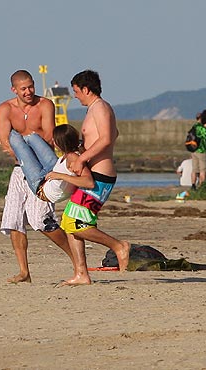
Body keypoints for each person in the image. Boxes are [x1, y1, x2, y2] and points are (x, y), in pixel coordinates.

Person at [0, 69, 74, 283]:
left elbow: (48, 136)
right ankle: (24, 272)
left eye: (31, 87)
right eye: (24, 88)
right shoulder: (5, 109)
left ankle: (77, 261)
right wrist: (16, 146)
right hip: (19, 170)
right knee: (13, 220)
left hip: (42, 169)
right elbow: (6, 142)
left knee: (41, 220)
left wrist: (22, 143)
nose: (29, 91)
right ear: (14, 89)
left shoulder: (45, 104)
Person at [59, 70, 130, 285]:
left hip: (100, 176)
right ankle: (81, 273)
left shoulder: (101, 107)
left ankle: (118, 246)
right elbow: (112, 134)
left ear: (86, 89)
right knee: (68, 221)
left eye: (76, 91)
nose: (75, 96)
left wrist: (83, 158)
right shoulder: (95, 109)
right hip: (95, 172)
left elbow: (108, 139)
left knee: (75, 221)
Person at [8, 124, 94, 203]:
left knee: (15, 139)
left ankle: (8, 143)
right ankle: (10, 144)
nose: (52, 141)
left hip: (41, 187)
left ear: (59, 143)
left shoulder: (73, 158)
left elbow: (89, 182)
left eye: (54, 139)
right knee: (32, 137)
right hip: (51, 172)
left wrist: (59, 176)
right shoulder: (73, 150)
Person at [190, 109, 206, 190]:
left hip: (194, 150)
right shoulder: (201, 128)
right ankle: (202, 186)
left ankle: (193, 185)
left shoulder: (194, 127)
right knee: (203, 170)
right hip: (202, 150)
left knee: (194, 169)